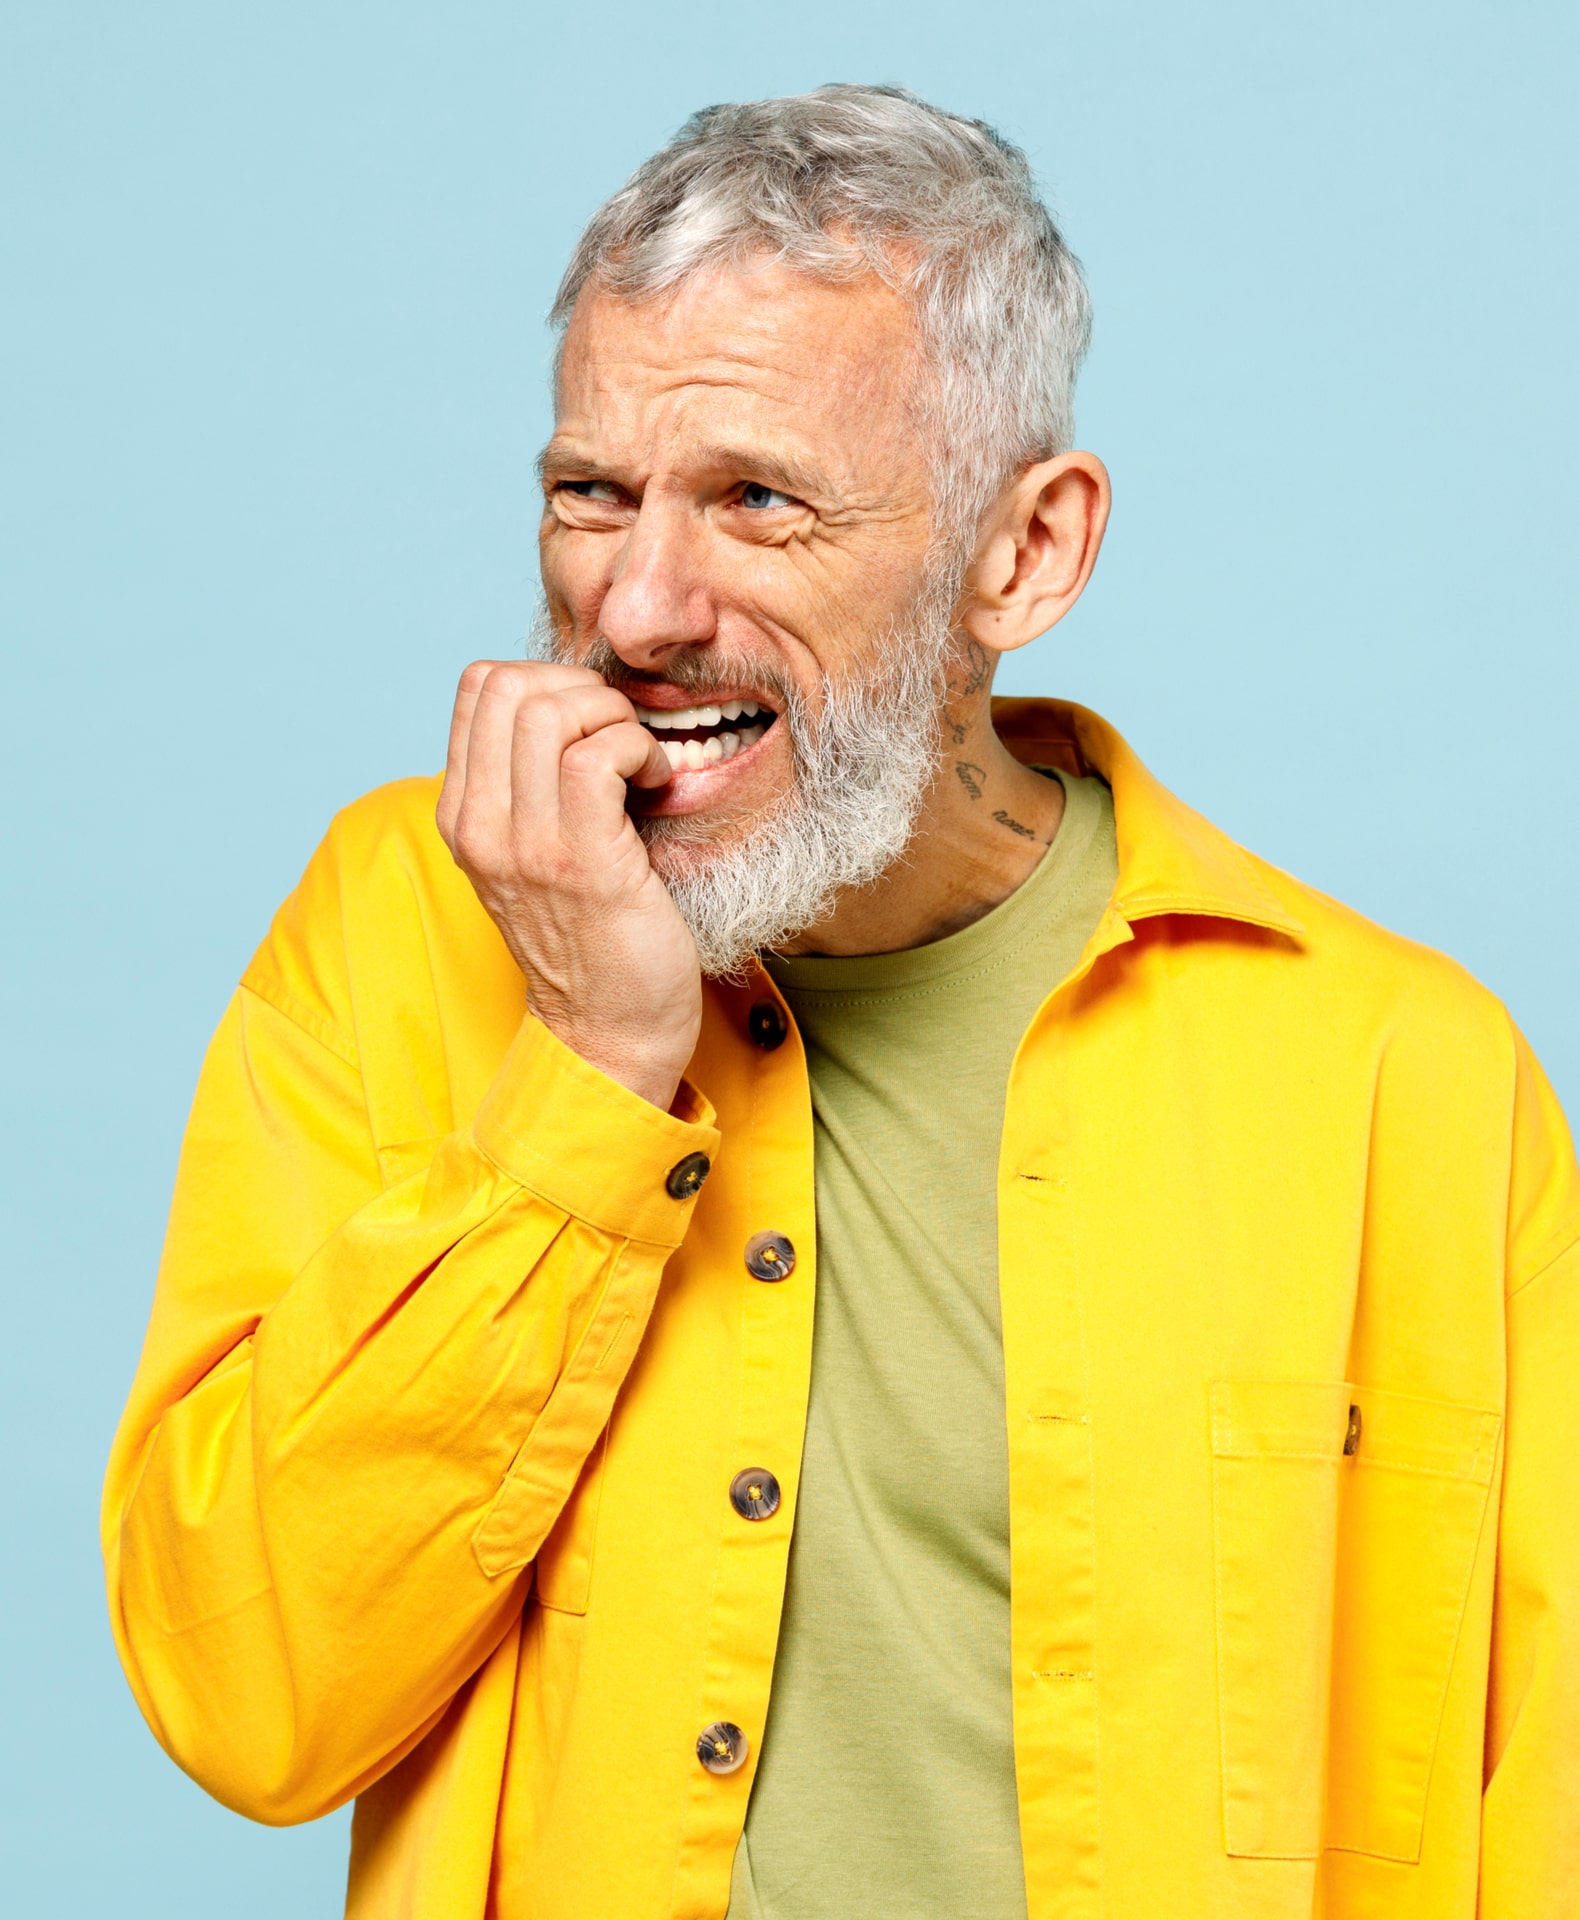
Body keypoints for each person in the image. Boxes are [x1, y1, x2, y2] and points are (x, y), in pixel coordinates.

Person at [103, 85, 1579, 1920]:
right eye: (592, 494)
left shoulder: (1404, 1079)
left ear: (1022, 553)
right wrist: (588, 1066)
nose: (639, 607)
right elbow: (242, 1699)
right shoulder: (397, 927)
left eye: (757, 501)